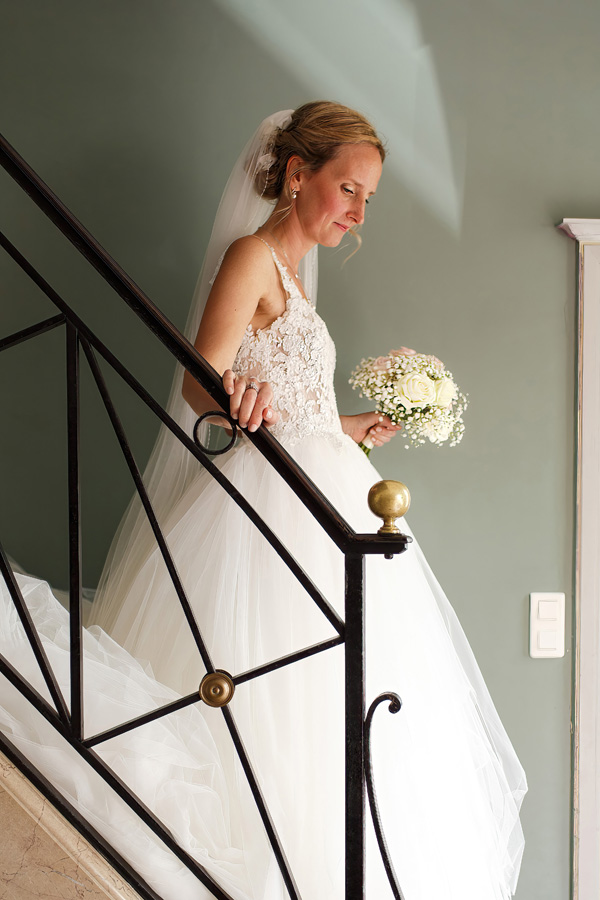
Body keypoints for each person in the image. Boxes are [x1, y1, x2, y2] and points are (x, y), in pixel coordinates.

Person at [86, 102, 526, 899]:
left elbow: (290, 398)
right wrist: (237, 394)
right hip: (270, 506)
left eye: (368, 198)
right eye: (347, 189)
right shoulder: (253, 257)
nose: (358, 212)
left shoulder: (293, 277)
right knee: (276, 696)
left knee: (349, 704)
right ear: (297, 175)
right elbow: (200, 376)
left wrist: (345, 423)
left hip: (326, 483)